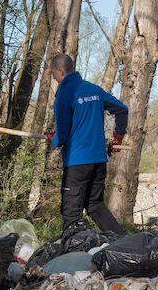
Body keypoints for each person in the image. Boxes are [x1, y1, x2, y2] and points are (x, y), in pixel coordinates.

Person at [47, 53, 127, 237]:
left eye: (53, 74)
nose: (53, 78)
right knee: (95, 206)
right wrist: (118, 137)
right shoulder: (95, 91)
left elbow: (62, 136)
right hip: (99, 161)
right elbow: (122, 110)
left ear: (60, 71)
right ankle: (125, 243)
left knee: (71, 213)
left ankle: (73, 255)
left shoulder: (64, 96)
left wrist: (53, 138)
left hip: (77, 163)